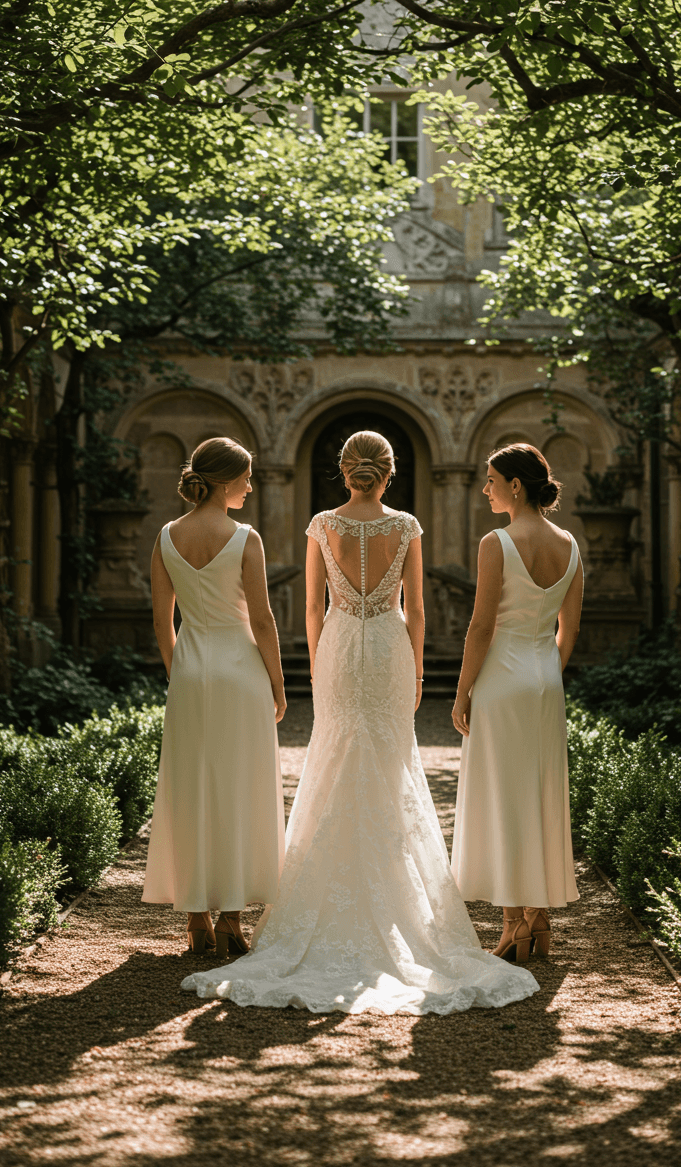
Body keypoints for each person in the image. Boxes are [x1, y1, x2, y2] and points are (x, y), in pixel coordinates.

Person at [181, 430, 538, 1014]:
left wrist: (320, 665)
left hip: (341, 648)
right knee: (393, 762)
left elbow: (312, 606)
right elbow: (416, 608)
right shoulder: (406, 527)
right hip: (391, 647)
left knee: (335, 756)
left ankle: (313, 902)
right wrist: (419, 669)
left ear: (344, 472)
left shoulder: (322, 524)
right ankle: (403, 904)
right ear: (388, 473)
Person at [142, 437, 286, 957]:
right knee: (238, 787)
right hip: (240, 671)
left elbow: (163, 619)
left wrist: (178, 667)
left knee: (192, 787)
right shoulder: (245, 538)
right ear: (225, 482)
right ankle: (230, 919)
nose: (251, 486)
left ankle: (196, 921)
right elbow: (264, 620)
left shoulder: (166, 536)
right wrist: (277, 680)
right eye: (247, 478)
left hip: (191, 669)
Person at [451, 443, 584, 963]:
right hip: (544, 680)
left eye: (491, 480)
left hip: (502, 681)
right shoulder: (570, 544)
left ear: (516, 486)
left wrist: (463, 692)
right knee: (539, 793)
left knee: (503, 797)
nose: (485, 488)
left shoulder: (496, 542)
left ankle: (512, 927)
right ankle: (539, 918)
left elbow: (481, 627)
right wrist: (545, 670)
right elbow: (568, 629)